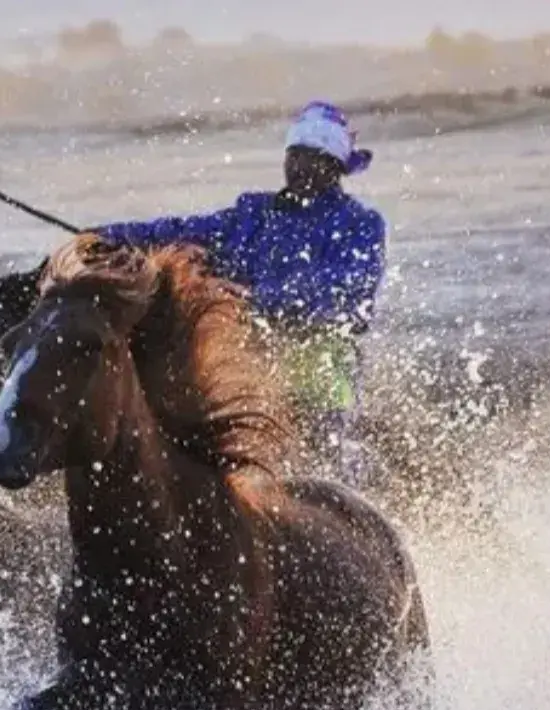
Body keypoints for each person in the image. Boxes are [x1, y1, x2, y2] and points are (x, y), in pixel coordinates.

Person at [90, 100, 387, 485]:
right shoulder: (253, 214)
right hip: (244, 374)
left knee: (317, 479)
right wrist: (107, 236)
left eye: (310, 157)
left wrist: (251, 299)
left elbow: (345, 295)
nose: (297, 166)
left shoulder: (360, 225)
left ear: (333, 167)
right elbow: (180, 231)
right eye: (293, 155)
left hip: (320, 384)